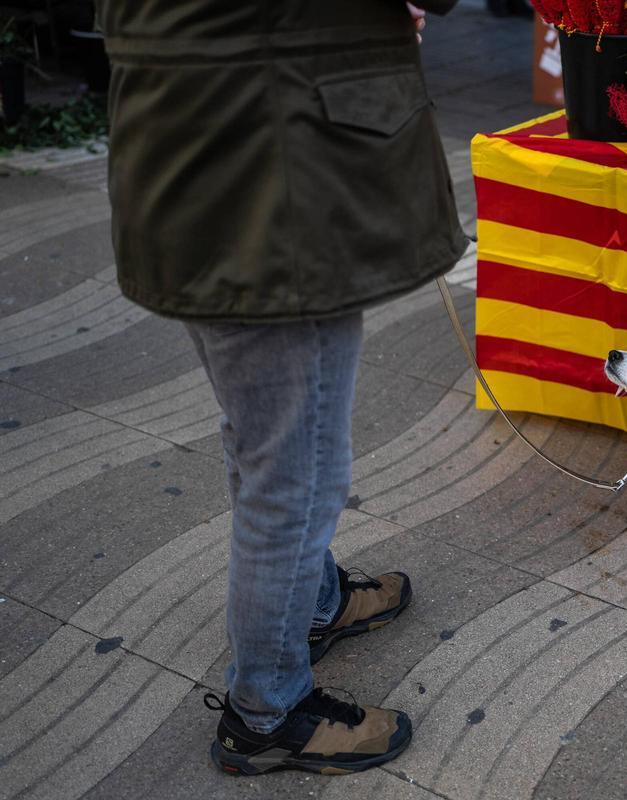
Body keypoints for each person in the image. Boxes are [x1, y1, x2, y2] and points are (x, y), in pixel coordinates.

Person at [96, 0, 468, 777]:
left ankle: (314, 604)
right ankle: (266, 710)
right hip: (272, 170)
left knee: (268, 439)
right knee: (293, 472)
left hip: (191, 137)